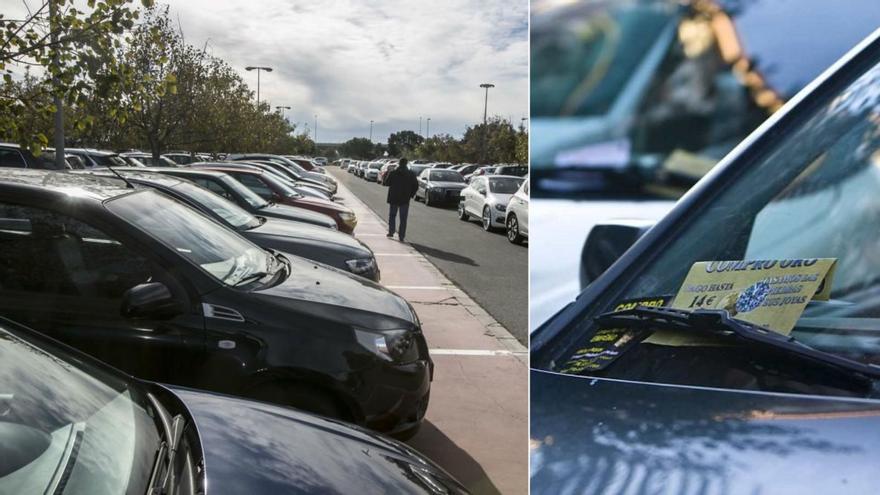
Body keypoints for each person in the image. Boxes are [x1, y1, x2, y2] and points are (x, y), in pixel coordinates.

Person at [385, 157, 418, 242]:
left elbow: (386, 183)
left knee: (392, 215)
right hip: (405, 199)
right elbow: (415, 186)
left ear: (399, 163)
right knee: (403, 219)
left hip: (394, 198)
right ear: (406, 164)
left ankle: (391, 232)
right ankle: (401, 236)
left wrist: (387, 173)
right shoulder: (411, 174)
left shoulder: (393, 173)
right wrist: (410, 195)